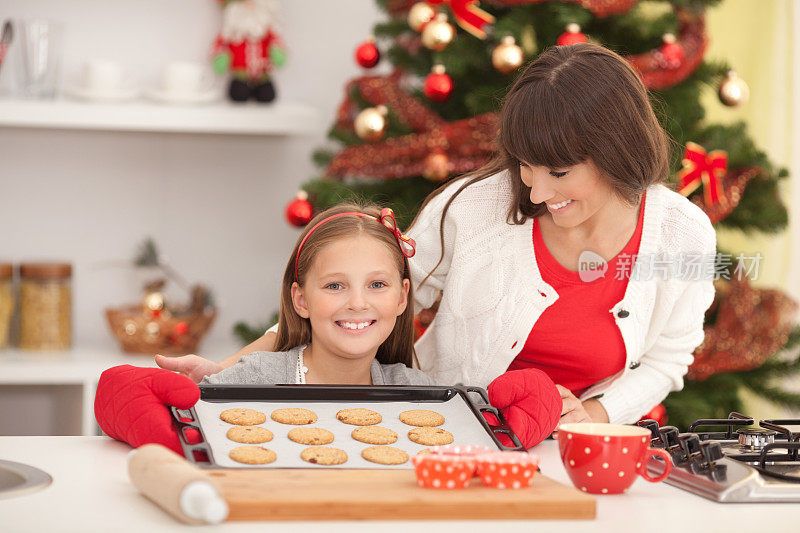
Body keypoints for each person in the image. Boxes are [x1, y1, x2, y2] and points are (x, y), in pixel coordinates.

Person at [160, 43, 716, 427]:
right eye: (525, 165)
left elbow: (668, 360)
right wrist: (230, 370)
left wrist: (596, 414)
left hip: (569, 454)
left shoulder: (682, 237)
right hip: (440, 435)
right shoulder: (474, 210)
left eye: (559, 172)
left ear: (618, 151)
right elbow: (367, 300)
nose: (537, 191)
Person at [94, 203, 563, 453]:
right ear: (301, 299)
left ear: (403, 298)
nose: (358, 302)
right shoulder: (252, 379)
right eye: (335, 285)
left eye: (377, 284)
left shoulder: (419, 393)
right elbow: (142, 406)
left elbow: (490, 426)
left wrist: (535, 403)